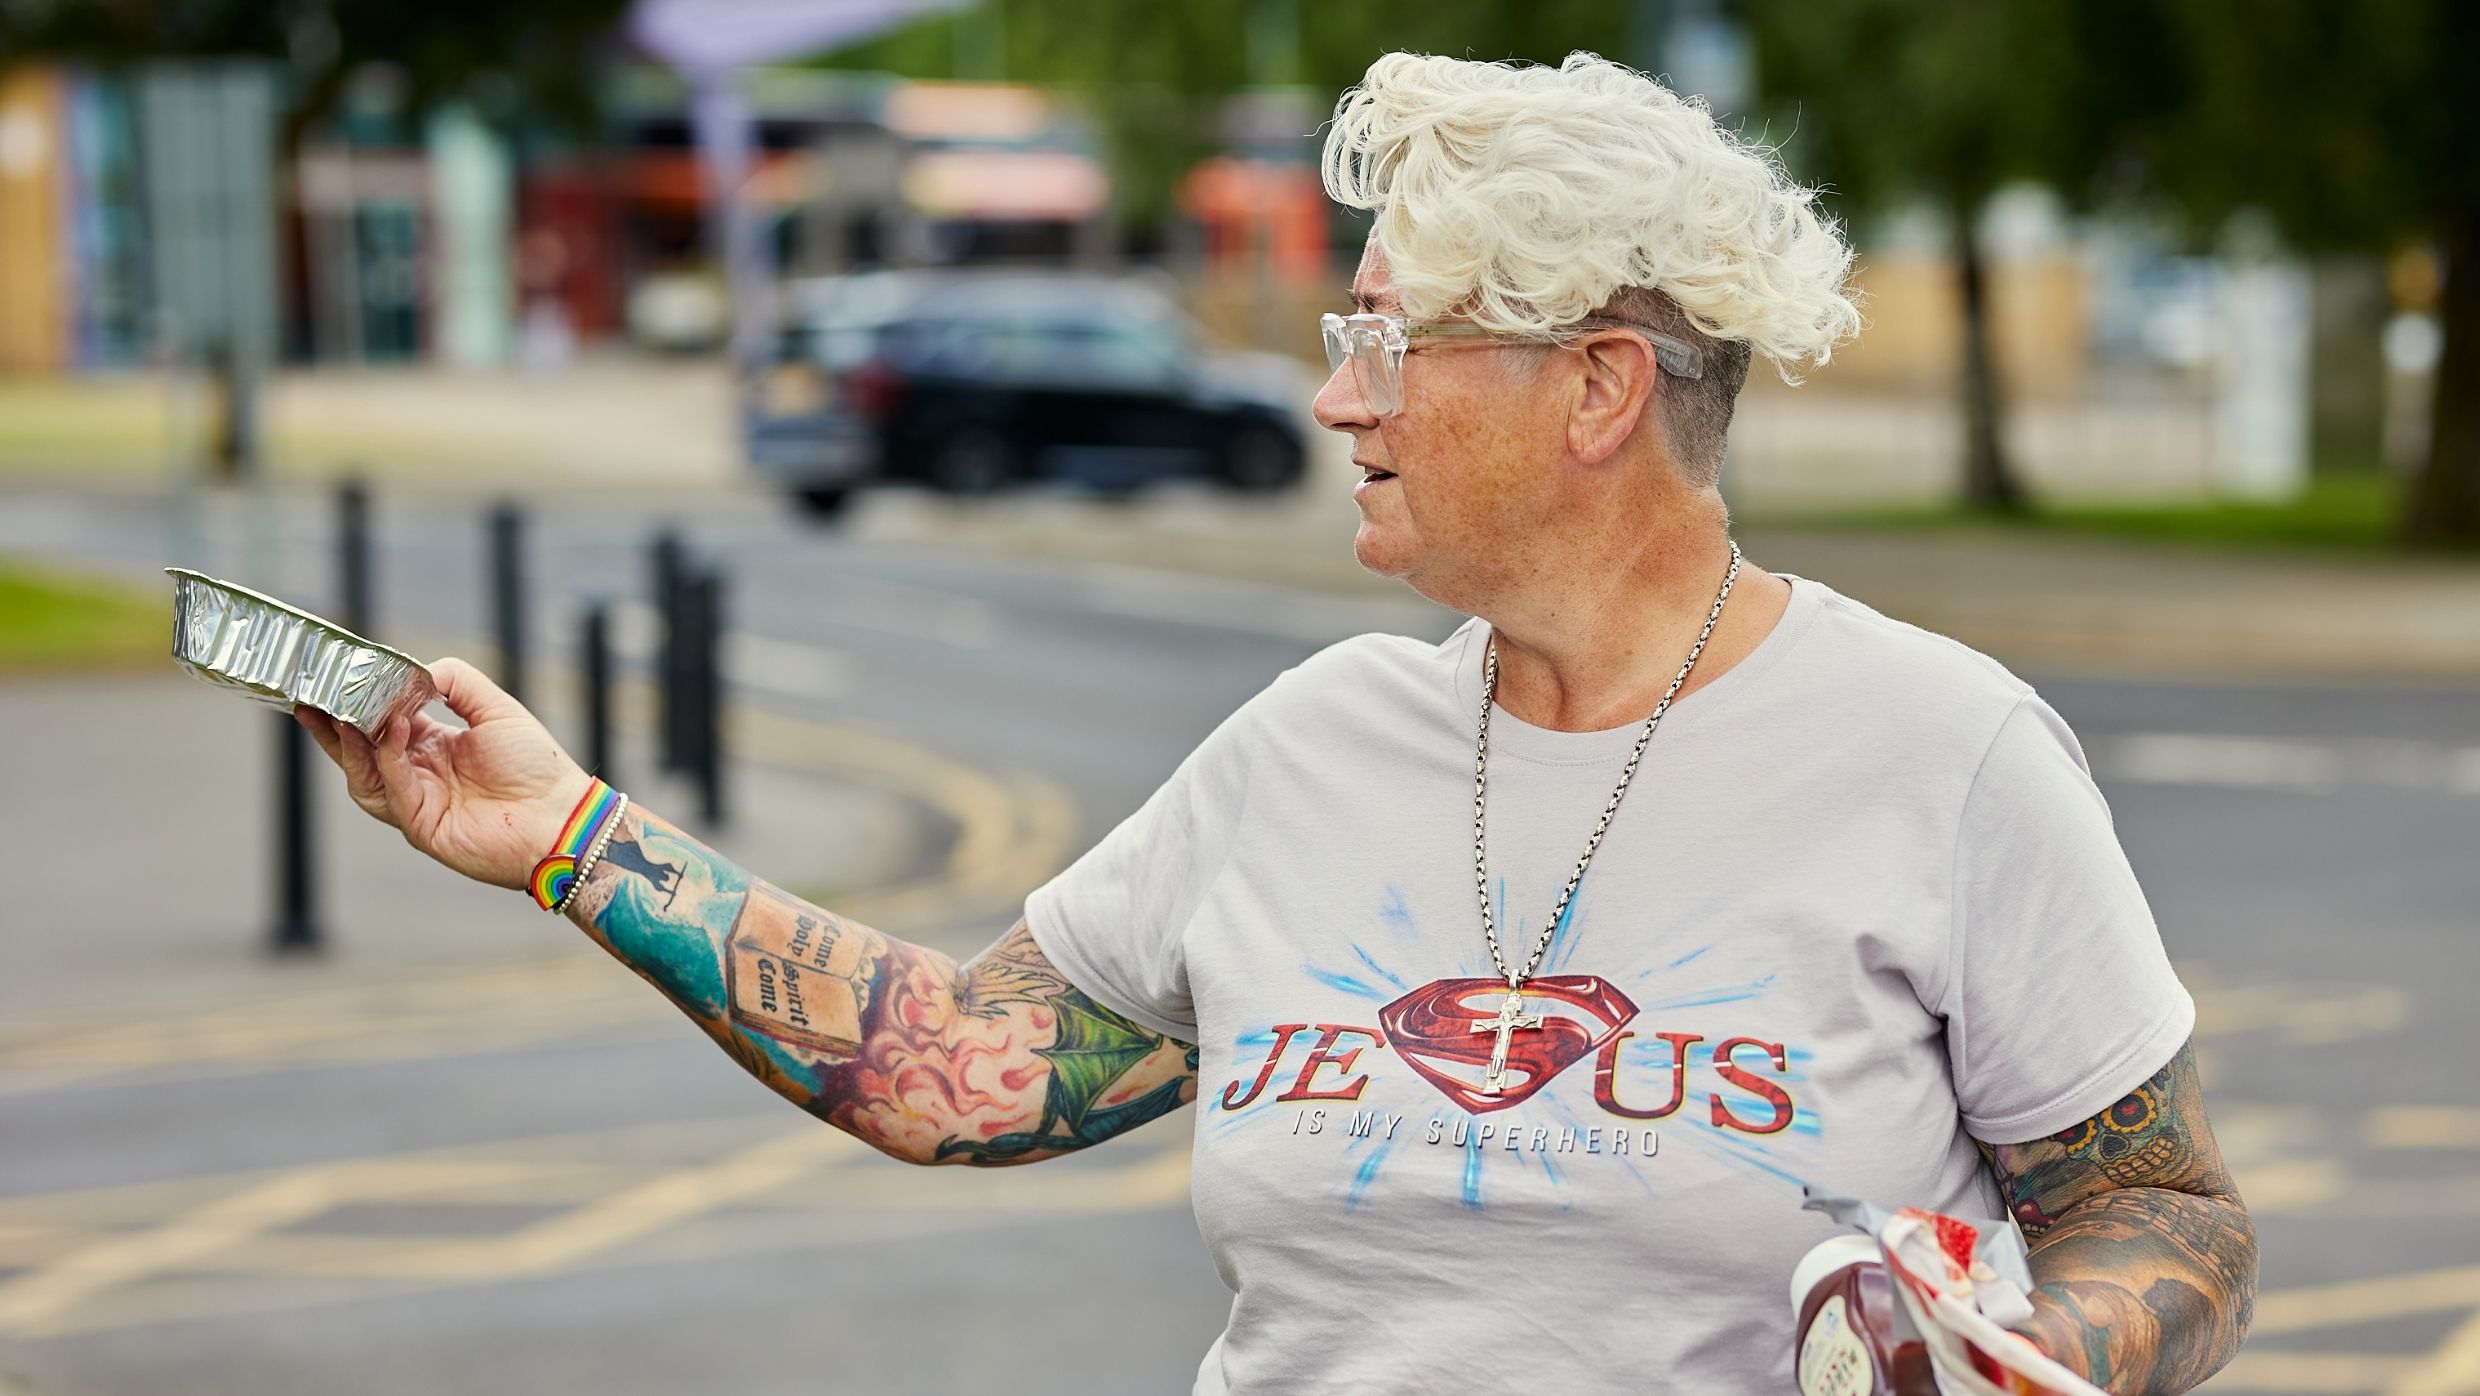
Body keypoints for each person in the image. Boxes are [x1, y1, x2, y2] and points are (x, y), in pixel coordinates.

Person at [298, 50, 2256, 1395]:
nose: (1338, 398)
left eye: (1384, 338)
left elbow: (2159, 1206)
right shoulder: (1306, 743)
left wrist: (2040, 1358)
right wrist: (565, 831)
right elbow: (951, 1065)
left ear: (1593, 390)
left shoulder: (1941, 748)